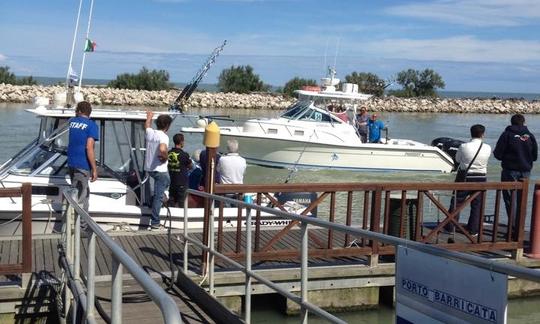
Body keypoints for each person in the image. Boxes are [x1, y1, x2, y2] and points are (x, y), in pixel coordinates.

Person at [493, 114, 538, 230]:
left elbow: (497, 154)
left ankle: (513, 228)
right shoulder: (530, 136)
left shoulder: (506, 135)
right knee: (522, 200)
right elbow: (535, 156)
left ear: (511, 122)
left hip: (509, 170)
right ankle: (520, 228)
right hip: (526, 171)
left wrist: (506, 158)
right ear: (524, 123)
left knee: (510, 200)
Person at [445, 124, 491, 236]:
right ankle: (473, 230)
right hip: (481, 178)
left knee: (456, 202)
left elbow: (457, 159)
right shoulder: (488, 147)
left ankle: (451, 227)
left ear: (471, 133)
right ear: (483, 134)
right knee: (477, 204)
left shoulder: (464, 146)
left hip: (465, 177)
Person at [67, 101, 99, 224]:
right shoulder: (91, 125)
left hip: (71, 163)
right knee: (81, 197)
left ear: (79, 111)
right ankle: (81, 226)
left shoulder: (72, 122)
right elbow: (89, 147)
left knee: (79, 194)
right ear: (89, 112)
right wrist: (94, 169)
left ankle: (79, 224)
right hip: (82, 165)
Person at [144, 111, 172, 230]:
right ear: (167, 126)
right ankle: (155, 222)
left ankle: (162, 199)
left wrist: (149, 117)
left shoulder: (150, 133)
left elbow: (147, 126)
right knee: (159, 194)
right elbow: (162, 148)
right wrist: (165, 157)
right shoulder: (164, 136)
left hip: (150, 168)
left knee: (160, 189)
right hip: (160, 170)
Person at [167, 133, 192, 208]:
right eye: (183, 141)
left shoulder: (168, 153)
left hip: (172, 182)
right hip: (181, 183)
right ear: (181, 142)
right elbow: (190, 166)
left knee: (171, 202)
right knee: (181, 203)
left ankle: (171, 217)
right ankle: (181, 218)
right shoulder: (184, 154)